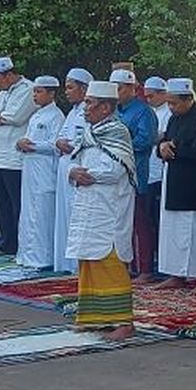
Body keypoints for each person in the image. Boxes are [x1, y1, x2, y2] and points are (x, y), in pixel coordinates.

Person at [67, 81, 137, 339]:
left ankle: (123, 322)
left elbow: (117, 170)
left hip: (110, 206)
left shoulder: (118, 132)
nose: (85, 108)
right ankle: (95, 317)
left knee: (109, 259)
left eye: (89, 103)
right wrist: (72, 172)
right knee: (88, 257)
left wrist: (88, 175)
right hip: (88, 204)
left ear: (106, 107)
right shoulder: (89, 132)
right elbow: (72, 162)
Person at [155, 78, 196, 289]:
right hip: (173, 180)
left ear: (188, 99)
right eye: (168, 103)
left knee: (194, 232)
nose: (171, 107)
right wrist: (162, 147)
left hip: (193, 183)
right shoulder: (173, 119)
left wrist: (174, 148)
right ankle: (176, 275)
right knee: (172, 230)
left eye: (174, 103)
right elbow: (164, 142)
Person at [110, 68, 159, 282]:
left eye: (120, 88)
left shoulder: (143, 112)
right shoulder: (115, 111)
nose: (116, 93)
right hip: (116, 174)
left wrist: (120, 145)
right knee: (121, 223)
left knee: (139, 223)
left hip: (136, 174)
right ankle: (124, 264)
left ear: (131, 88)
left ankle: (145, 269)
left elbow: (145, 141)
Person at [0, 56, 35, 256]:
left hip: (16, 160)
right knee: (2, 203)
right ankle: (7, 243)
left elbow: (16, 117)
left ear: (9, 74)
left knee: (17, 204)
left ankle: (20, 244)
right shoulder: (3, 94)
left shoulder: (28, 89)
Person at [13, 76, 65, 268]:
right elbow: (26, 139)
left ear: (51, 93)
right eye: (34, 91)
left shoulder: (56, 116)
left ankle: (44, 257)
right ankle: (26, 255)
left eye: (39, 91)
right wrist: (21, 144)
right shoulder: (36, 116)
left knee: (43, 214)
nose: (35, 95)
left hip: (45, 172)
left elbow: (57, 145)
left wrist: (33, 146)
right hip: (29, 171)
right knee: (28, 213)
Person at [54, 68, 93, 273]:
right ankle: (66, 264)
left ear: (84, 88)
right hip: (65, 168)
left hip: (78, 166)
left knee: (76, 216)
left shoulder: (88, 111)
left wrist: (67, 145)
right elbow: (60, 138)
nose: (67, 92)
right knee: (65, 216)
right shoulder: (72, 112)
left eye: (70, 87)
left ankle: (77, 266)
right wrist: (59, 143)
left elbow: (82, 142)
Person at [142, 76, 169, 276]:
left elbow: (162, 137)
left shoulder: (169, 112)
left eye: (151, 95)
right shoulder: (148, 112)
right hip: (148, 171)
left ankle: (161, 258)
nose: (148, 99)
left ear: (163, 94)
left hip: (161, 171)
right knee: (148, 217)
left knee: (159, 218)